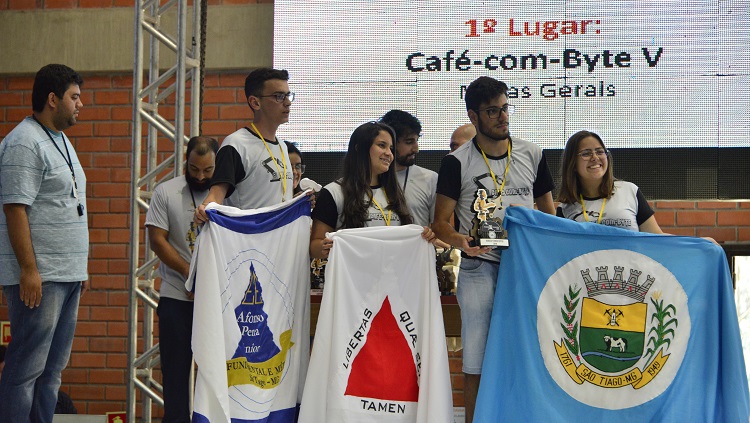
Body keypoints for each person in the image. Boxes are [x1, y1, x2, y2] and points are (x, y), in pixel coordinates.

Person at [432, 76, 555, 422]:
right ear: (474, 116)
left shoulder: (532, 153)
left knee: (531, 352)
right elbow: (441, 223)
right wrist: (462, 243)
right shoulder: (456, 162)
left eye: (505, 108)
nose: (503, 117)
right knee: (477, 358)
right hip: (479, 265)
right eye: (492, 111)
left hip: (524, 269)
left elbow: (550, 214)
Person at [0, 63, 89, 423]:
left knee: (51, 373)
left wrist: (79, 268)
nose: (81, 104)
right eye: (75, 97)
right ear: (52, 99)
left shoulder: (61, 140)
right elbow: (15, 209)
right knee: (25, 372)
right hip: (41, 278)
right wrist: (29, 270)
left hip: (66, 275)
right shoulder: (23, 142)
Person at [145, 136, 218, 423]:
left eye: (208, 171)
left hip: (214, 300)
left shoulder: (226, 194)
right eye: (194, 169)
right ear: (185, 162)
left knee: (216, 373)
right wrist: (189, 273)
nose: (200, 176)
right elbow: (157, 241)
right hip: (176, 297)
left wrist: (207, 281)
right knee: (175, 376)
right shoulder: (166, 192)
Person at [310, 121, 435, 259]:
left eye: (391, 148)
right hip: (352, 277)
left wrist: (424, 236)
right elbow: (314, 246)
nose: (389, 154)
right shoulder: (334, 193)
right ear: (359, 148)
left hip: (394, 276)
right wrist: (324, 247)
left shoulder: (394, 193)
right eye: (382, 145)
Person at [194, 68, 299, 224]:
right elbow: (216, 196)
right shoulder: (236, 145)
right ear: (255, 102)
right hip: (247, 243)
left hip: (278, 242)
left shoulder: (283, 147)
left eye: (288, 95)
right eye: (279, 96)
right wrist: (204, 209)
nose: (288, 102)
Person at [556, 130, 664, 232]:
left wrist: (680, 245)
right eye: (586, 153)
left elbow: (656, 237)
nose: (595, 157)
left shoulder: (629, 191)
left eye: (599, 152)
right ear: (572, 163)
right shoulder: (565, 209)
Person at [379, 110, 438, 227]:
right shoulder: (368, 179)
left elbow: (440, 227)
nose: (416, 149)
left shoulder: (430, 179)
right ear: (391, 142)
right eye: (409, 142)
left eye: (417, 141)